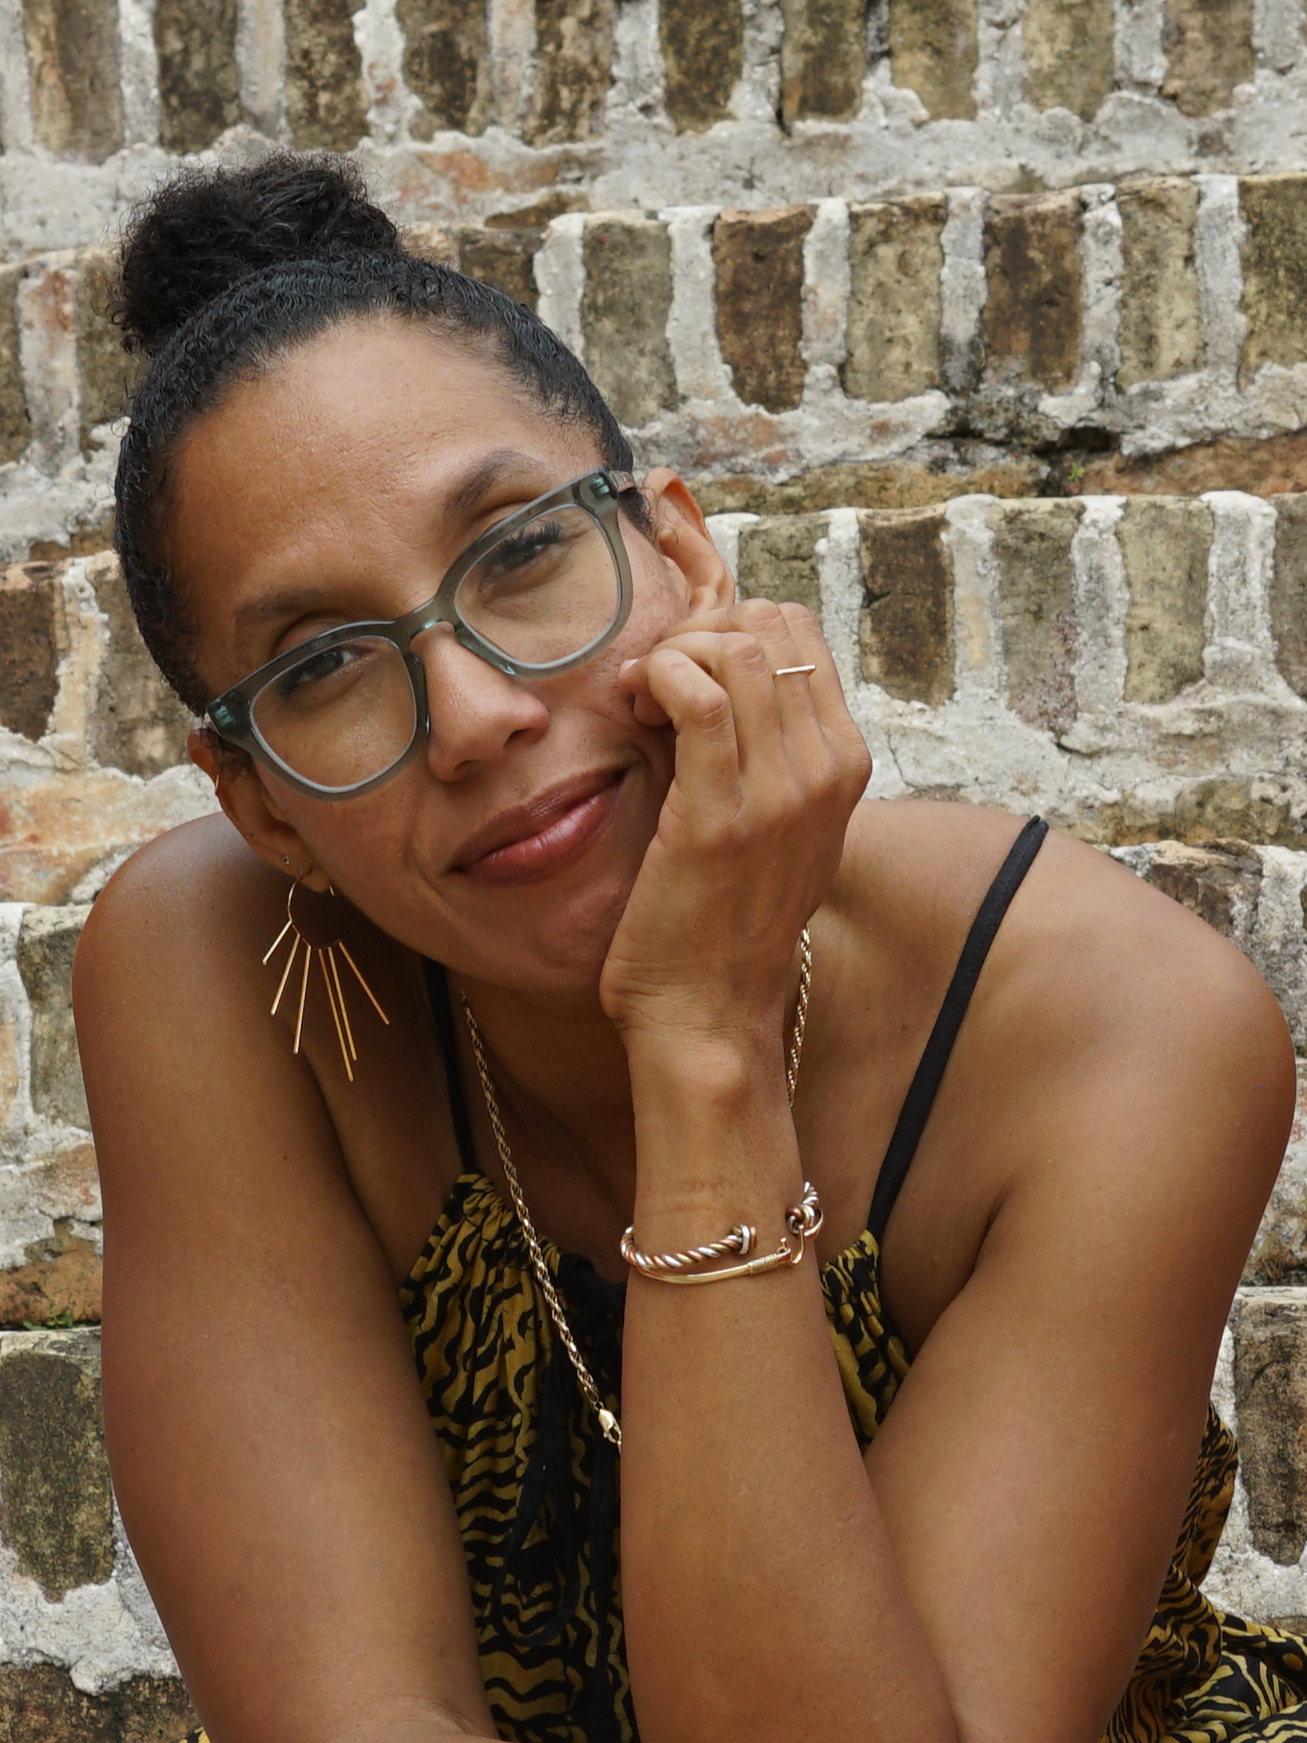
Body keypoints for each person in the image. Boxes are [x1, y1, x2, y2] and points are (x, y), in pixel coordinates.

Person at [71, 152, 1304, 1743]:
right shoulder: (223, 973)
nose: (476, 717)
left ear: (684, 553)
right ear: (259, 803)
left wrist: (702, 1047)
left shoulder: (1115, 1024)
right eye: (323, 664)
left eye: (518, 556)